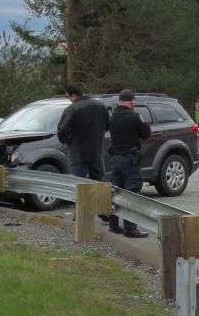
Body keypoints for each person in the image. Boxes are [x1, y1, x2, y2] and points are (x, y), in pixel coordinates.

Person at [107, 89, 152, 238]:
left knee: (115, 192)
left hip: (116, 159)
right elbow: (146, 134)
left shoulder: (112, 118)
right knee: (131, 193)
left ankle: (113, 225)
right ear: (132, 101)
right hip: (129, 160)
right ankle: (130, 228)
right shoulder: (134, 117)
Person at [56, 82, 109, 181]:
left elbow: (62, 131)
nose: (69, 100)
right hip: (96, 151)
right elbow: (108, 125)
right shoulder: (101, 106)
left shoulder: (72, 109)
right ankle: (97, 197)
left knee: (79, 184)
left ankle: (83, 197)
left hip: (78, 153)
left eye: (68, 97)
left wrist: (69, 141)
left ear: (74, 95)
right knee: (98, 182)